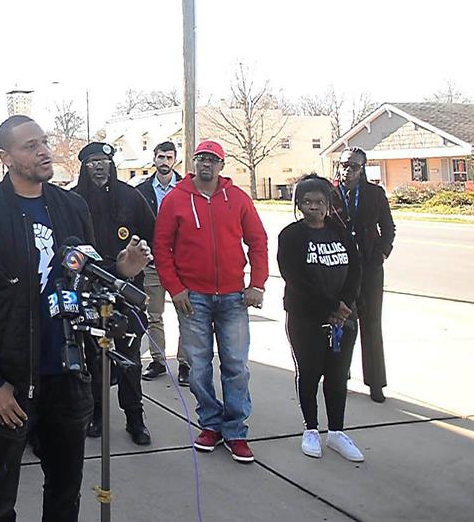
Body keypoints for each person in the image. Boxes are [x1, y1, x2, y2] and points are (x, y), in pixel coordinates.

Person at [0, 116, 149, 522]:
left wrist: (120, 269)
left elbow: (85, 275)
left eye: (44, 142)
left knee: (65, 486)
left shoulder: (71, 206)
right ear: (6, 158)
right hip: (11, 378)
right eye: (29, 146)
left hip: (68, 375)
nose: (43, 151)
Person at [154, 139, 268, 464]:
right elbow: (162, 249)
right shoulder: (176, 200)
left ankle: (235, 431)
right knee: (199, 366)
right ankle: (210, 424)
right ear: (194, 162)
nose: (207, 164)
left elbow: (257, 241)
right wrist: (175, 289)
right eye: (202, 158)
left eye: (213, 159)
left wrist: (256, 284)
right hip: (194, 299)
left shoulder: (238, 199)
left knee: (236, 366)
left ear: (222, 165)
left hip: (234, 297)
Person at [70, 141, 154, 445]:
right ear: (83, 167)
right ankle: (97, 414)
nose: (99, 166)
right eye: (91, 161)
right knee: (94, 356)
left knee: (129, 355)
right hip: (90, 287)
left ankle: (135, 418)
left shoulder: (131, 197)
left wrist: (139, 256)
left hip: (127, 288)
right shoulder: (74, 199)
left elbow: (151, 234)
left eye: (104, 160)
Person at [278, 174, 365, 462]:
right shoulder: (291, 236)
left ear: (328, 204)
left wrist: (344, 305)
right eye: (307, 202)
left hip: (343, 318)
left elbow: (355, 269)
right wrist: (330, 306)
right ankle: (311, 429)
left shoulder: (341, 233)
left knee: (338, 377)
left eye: (319, 202)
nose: (313, 207)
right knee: (310, 373)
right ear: (299, 204)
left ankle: (337, 433)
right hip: (307, 318)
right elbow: (296, 279)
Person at [334, 147, 395, 404]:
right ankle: (339, 376)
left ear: (363, 168)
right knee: (341, 322)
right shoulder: (330, 193)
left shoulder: (374, 194)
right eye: (345, 165)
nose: (348, 170)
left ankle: (376, 383)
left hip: (369, 267)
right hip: (339, 268)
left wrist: (382, 251)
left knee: (371, 324)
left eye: (354, 166)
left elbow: (388, 226)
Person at [136, 141, 188, 383]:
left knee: (186, 314)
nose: (165, 162)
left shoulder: (188, 188)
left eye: (169, 157)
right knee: (154, 315)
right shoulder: (141, 190)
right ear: (153, 159)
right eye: (160, 157)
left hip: (184, 264)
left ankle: (186, 363)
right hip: (153, 263)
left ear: (175, 159)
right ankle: (158, 360)